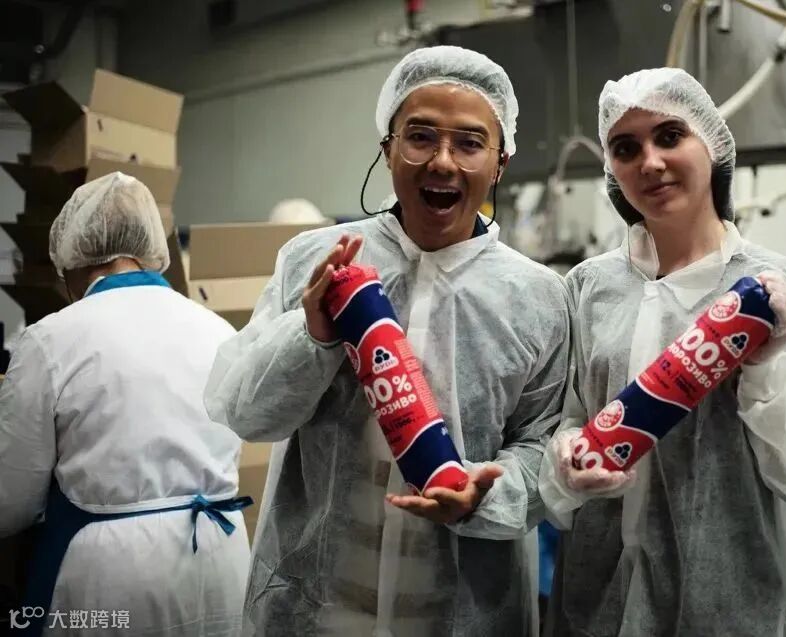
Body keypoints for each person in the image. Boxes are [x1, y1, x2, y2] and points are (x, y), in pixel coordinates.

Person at [204, 45, 571, 636]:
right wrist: (312, 335)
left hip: (460, 613)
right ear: (387, 148)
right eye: (420, 137)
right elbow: (245, 413)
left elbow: (543, 447)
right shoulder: (314, 261)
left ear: (500, 163)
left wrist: (483, 497)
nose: (443, 162)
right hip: (313, 610)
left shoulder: (538, 298)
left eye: (470, 143)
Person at [537, 68, 786, 636]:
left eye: (670, 136)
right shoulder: (588, 287)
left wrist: (766, 377)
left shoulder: (776, 290)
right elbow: (563, 416)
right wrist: (566, 458)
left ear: (713, 145)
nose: (650, 162)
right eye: (626, 148)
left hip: (726, 598)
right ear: (612, 170)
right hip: (596, 597)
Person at [0, 172, 250, 636]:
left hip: (114, 573)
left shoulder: (50, 338)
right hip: (222, 556)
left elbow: (10, 502)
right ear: (148, 247)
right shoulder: (219, 329)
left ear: (72, 260)